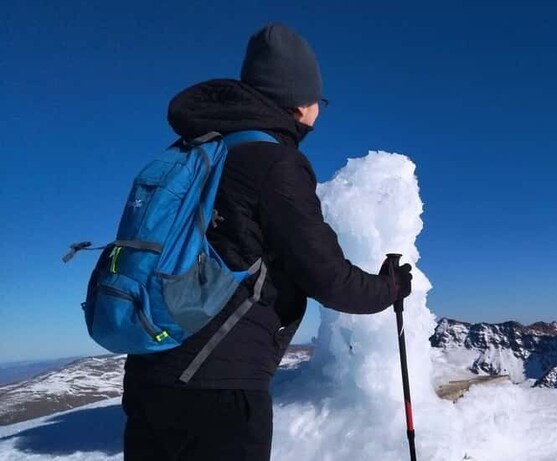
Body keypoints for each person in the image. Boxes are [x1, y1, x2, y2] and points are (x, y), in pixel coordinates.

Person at [121, 23, 413, 461]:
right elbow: (329, 277)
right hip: (219, 389)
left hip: (150, 371)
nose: (319, 110)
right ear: (298, 101)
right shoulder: (275, 164)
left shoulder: (197, 151)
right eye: (320, 100)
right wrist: (390, 288)